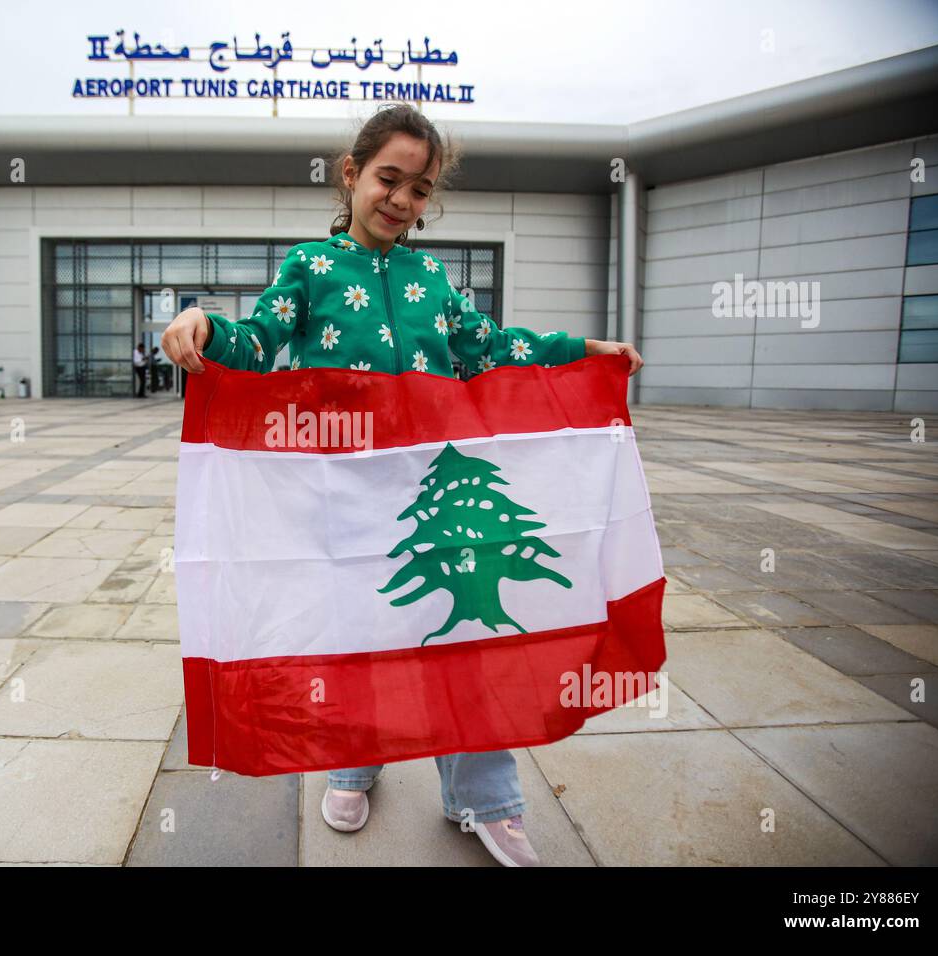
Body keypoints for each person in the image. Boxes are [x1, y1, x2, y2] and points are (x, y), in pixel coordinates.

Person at [161, 102, 643, 867]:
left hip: (433, 493)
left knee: (466, 634)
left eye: (419, 190)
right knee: (360, 630)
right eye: (389, 179)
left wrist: (582, 349)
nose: (401, 200)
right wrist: (206, 326)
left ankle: (488, 798)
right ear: (351, 175)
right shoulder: (310, 270)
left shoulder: (432, 278)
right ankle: (355, 761)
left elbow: (492, 349)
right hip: (341, 498)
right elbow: (256, 345)